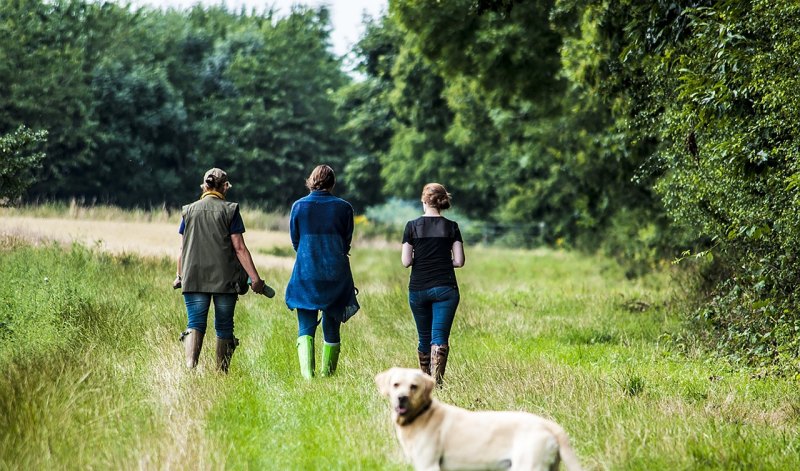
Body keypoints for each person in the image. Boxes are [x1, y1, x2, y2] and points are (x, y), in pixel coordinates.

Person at [173, 168, 266, 373]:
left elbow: (182, 248)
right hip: (225, 280)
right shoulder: (230, 209)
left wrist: (180, 276)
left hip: (194, 276)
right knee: (224, 325)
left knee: (195, 323)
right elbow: (239, 248)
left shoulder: (188, 210)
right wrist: (255, 279)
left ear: (204, 185)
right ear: (225, 187)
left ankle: (190, 367)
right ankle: (221, 372)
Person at [285, 164, 358, 379]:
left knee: (305, 325)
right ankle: (327, 375)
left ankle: (308, 377)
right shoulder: (344, 208)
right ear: (332, 183)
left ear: (311, 180)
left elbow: (295, 241)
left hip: (306, 273)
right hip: (335, 274)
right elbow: (346, 241)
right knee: (332, 324)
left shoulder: (298, 206)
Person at [401, 183, 465, 386]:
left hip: (418, 288)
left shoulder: (412, 226)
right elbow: (459, 261)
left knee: (424, 337)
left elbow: (406, 262)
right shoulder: (452, 226)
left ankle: (425, 381)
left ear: (424, 201)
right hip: (446, 288)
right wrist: (444, 261)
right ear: (442, 202)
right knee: (439, 337)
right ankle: (437, 383)